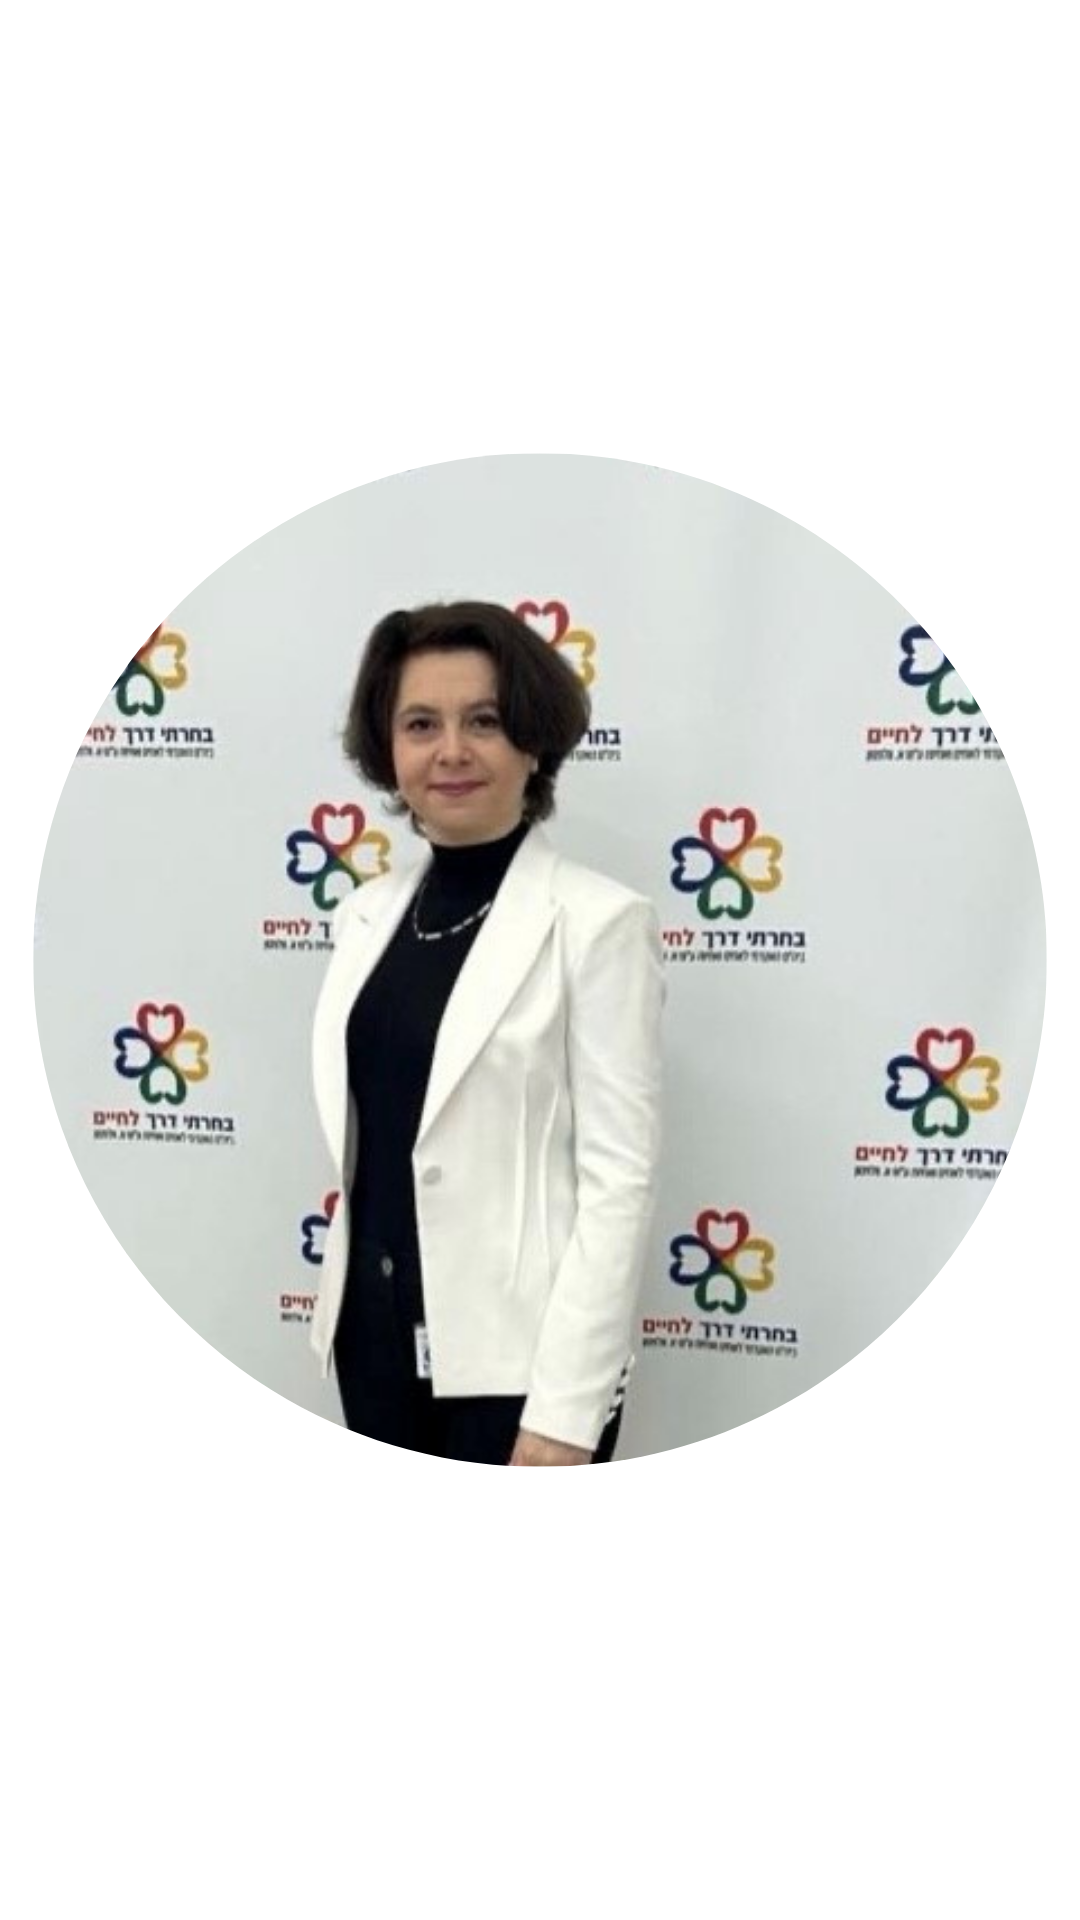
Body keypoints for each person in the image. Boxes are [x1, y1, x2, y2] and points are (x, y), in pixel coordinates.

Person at [310, 601, 664, 1464]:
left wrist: (567, 1412)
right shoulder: (363, 917)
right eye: (421, 724)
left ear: (532, 741)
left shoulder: (598, 923)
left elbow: (619, 1181)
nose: (451, 751)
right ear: (388, 748)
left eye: (484, 721)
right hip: (371, 1345)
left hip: (520, 1372)